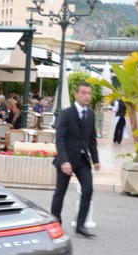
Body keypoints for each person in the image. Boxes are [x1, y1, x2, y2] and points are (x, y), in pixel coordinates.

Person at [51, 82, 101, 238]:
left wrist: (96, 159)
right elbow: (60, 139)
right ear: (76, 94)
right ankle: (55, 222)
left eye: (89, 93)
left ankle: (80, 225)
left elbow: (92, 139)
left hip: (82, 160)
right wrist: (64, 161)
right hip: (67, 159)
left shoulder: (91, 114)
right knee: (60, 192)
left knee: (88, 189)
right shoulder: (66, 114)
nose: (87, 96)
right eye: (84, 93)